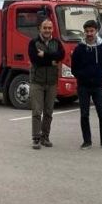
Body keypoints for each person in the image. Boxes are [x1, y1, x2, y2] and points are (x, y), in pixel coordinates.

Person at [71, 20, 102, 150]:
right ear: (84, 32)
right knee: (84, 114)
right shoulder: (79, 48)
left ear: (96, 31)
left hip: (98, 86)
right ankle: (87, 141)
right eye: (87, 31)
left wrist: (100, 76)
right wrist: (83, 76)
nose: (89, 33)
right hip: (83, 86)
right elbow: (74, 68)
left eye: (92, 31)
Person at [28, 18, 66, 149]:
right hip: (37, 82)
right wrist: (51, 60)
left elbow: (61, 55)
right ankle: (36, 138)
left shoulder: (57, 42)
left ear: (52, 29)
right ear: (40, 28)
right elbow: (35, 60)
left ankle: (45, 137)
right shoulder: (33, 43)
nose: (47, 30)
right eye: (45, 28)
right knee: (37, 112)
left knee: (49, 112)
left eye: (49, 28)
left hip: (51, 82)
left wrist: (44, 54)